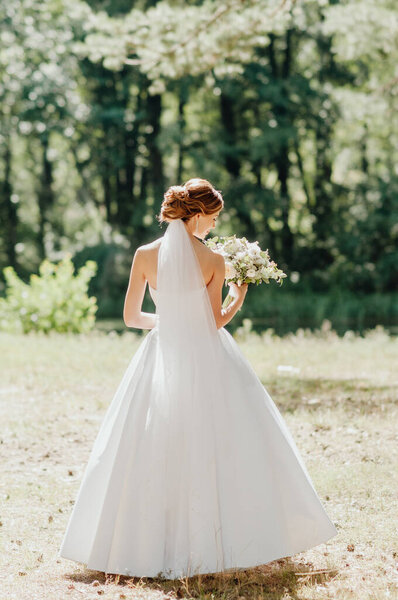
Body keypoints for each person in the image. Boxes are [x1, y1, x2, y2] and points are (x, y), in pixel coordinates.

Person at [59, 178, 337, 580]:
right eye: (214, 217)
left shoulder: (144, 254)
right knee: (224, 436)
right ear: (199, 214)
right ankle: (228, 539)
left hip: (161, 353)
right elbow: (213, 324)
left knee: (151, 438)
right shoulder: (213, 261)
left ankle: (136, 542)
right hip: (207, 357)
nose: (213, 225)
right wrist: (238, 298)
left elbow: (132, 318)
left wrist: (170, 322)